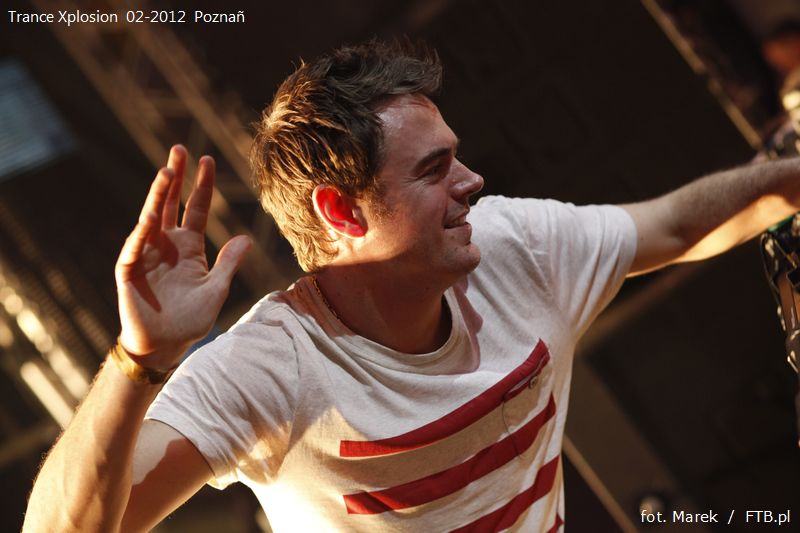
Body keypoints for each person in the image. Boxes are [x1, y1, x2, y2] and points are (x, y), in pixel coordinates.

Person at [22, 39, 800, 532]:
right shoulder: (270, 368)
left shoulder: (513, 246)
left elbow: (676, 224)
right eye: (434, 169)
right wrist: (139, 359)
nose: (472, 181)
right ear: (341, 211)